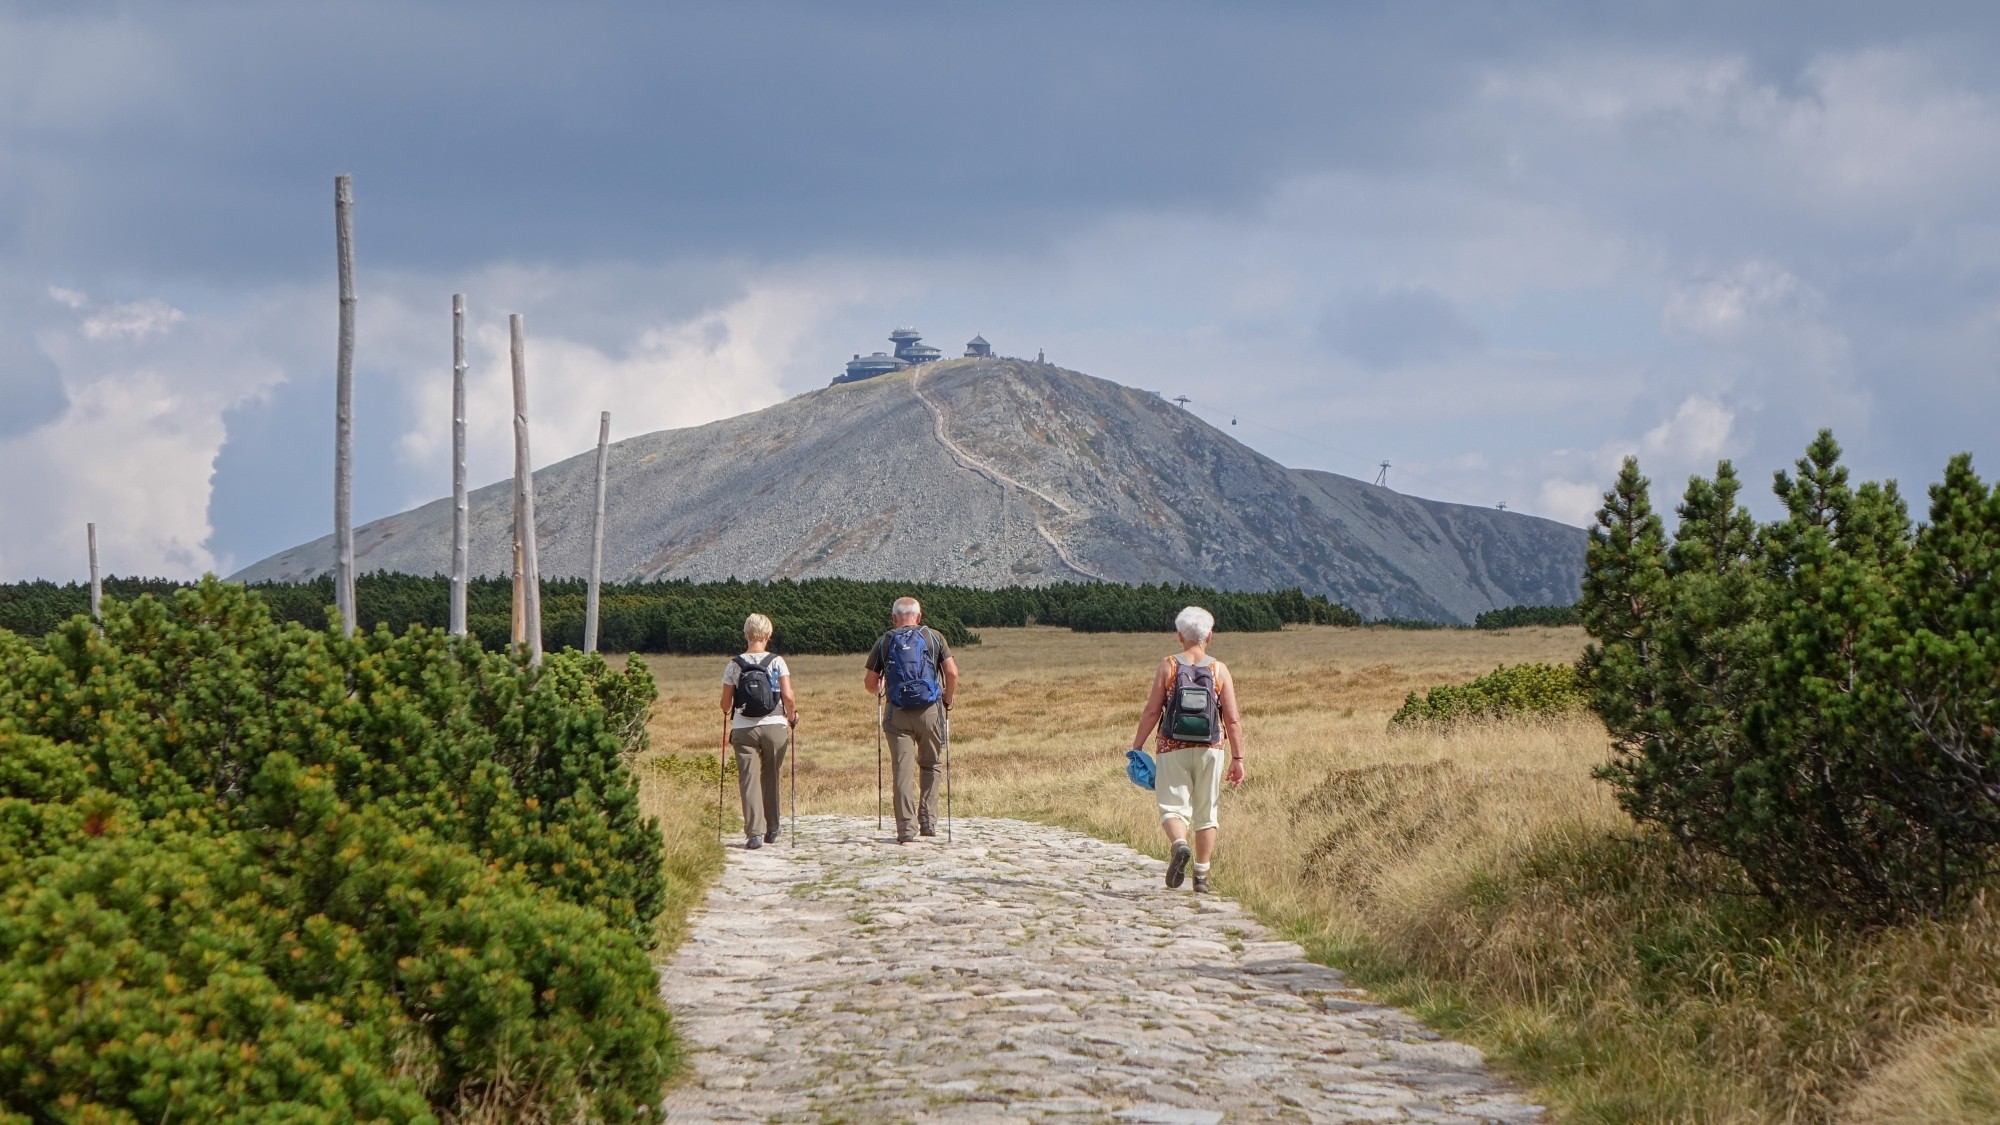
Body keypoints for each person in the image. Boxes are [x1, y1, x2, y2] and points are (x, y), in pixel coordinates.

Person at [1128, 605, 1244, 893]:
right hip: (1211, 749)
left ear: (1180, 636)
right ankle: (1202, 876)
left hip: (1171, 746)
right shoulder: (1219, 670)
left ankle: (1179, 844)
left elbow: (1153, 710)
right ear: (1210, 636)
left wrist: (1137, 745)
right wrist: (1238, 758)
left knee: (1171, 806)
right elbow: (1232, 718)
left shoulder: (1168, 665)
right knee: (1207, 811)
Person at [863, 596, 959, 844]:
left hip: (897, 713)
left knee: (902, 771)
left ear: (894, 618)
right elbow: (952, 673)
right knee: (931, 764)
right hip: (930, 710)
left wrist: (880, 690)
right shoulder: (934, 637)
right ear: (919, 615)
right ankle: (927, 820)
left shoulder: (885, 641)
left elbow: (870, 683)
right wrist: (948, 699)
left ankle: (906, 829)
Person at [721, 613, 797, 849]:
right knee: (771, 775)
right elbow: (788, 696)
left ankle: (754, 833)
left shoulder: (734, 664)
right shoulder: (777, 661)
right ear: (768, 636)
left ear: (746, 635)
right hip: (775, 725)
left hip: (744, 729)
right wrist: (792, 715)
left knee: (749, 779)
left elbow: (725, 705)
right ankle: (772, 828)